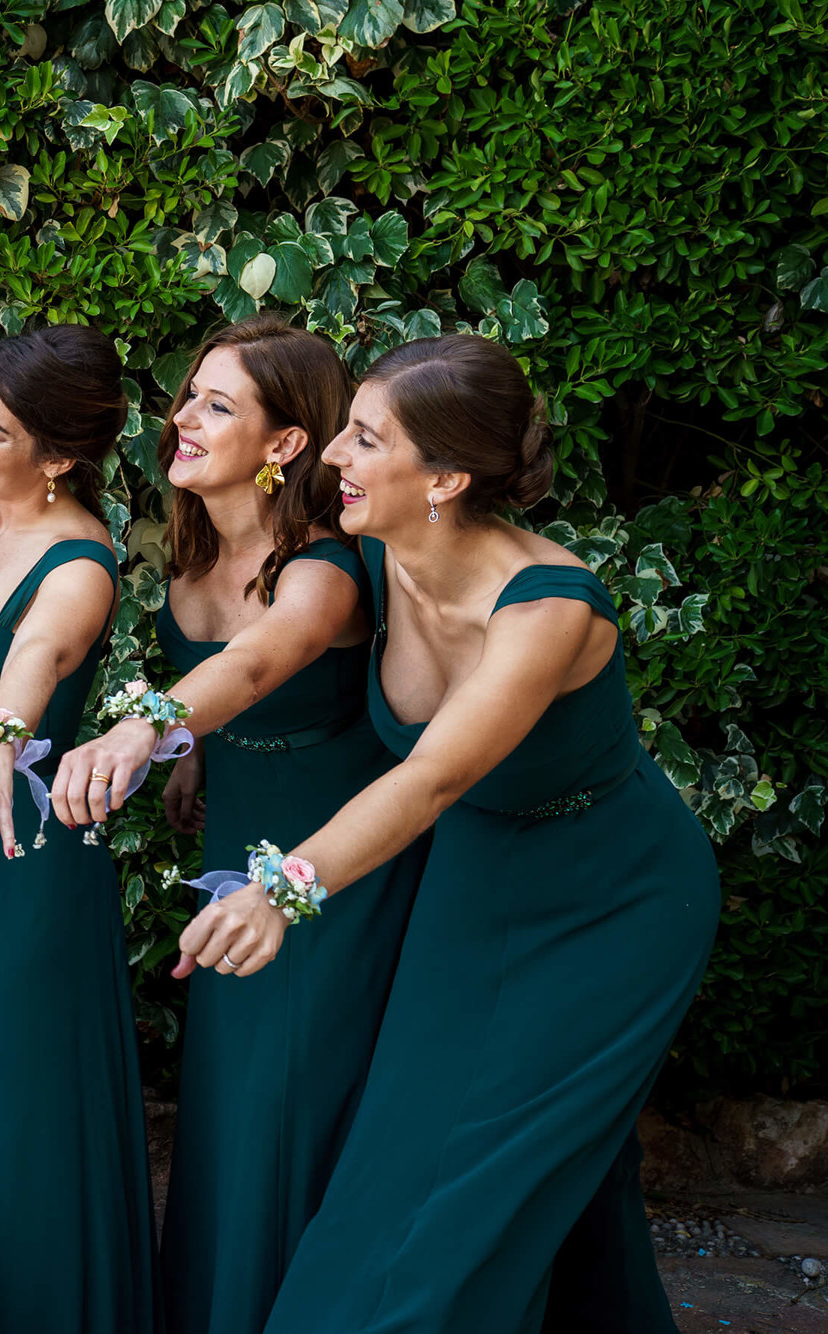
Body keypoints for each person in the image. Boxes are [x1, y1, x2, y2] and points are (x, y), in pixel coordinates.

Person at [178, 334, 719, 1334]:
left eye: (363, 436)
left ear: (445, 476)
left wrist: (282, 887)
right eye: (339, 428)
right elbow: (262, 651)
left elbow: (430, 774)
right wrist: (163, 734)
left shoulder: (547, 608)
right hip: (472, 878)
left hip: (611, 902)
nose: (330, 453)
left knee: (468, 1182)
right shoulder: (369, 559)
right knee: (422, 1149)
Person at [52, 315, 426, 1334]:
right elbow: (232, 692)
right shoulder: (192, 551)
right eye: (188, 395)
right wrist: (204, 757)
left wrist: (145, 731)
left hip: (329, 866)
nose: (182, 416)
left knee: (291, 1096)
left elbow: (261, 661)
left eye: (218, 404)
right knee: (226, 1097)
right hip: (235, 838)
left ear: (283, 444)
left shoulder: (322, 564)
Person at [0, 325, 152, 1334]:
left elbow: (40, 652)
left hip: (29, 853)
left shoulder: (78, 560)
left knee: (19, 1107)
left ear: (58, 456)